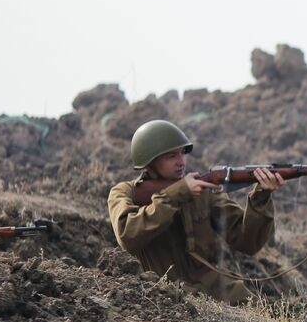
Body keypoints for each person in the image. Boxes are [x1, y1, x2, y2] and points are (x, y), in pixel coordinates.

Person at [108, 119, 285, 302]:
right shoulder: (125, 192)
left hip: (213, 289)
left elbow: (247, 242)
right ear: (150, 161)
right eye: (171, 156)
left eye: (182, 153)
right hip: (161, 295)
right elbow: (127, 234)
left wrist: (261, 196)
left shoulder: (202, 190)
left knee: (256, 310)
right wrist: (177, 194)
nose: (181, 162)